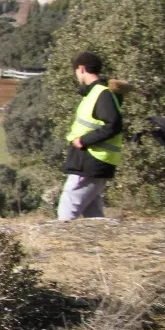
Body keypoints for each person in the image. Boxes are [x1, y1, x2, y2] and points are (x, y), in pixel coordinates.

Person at [57, 51, 123, 221]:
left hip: (91, 158)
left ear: (82, 69)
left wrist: (83, 140)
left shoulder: (101, 94)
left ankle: (62, 243)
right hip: (95, 159)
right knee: (93, 213)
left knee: (67, 207)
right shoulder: (98, 93)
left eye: (76, 72)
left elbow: (113, 125)